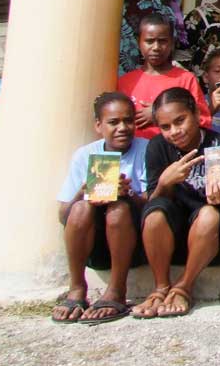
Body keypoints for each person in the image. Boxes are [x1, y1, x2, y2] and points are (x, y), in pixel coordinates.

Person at [132, 87, 220, 319]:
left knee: (209, 214)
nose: (174, 132)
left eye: (180, 121)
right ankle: (160, 287)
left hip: (207, 238)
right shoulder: (158, 146)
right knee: (155, 215)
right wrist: (164, 183)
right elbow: (152, 202)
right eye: (165, 127)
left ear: (197, 115)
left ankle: (183, 287)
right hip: (172, 234)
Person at [52, 92, 148, 324]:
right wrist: (83, 193)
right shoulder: (85, 155)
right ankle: (77, 288)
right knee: (81, 208)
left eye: (128, 120)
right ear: (98, 125)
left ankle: (116, 291)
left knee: (119, 208)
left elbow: (155, 202)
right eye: (113, 122)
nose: (122, 128)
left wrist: (129, 193)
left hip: (132, 242)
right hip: (93, 244)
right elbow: (63, 215)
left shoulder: (147, 149)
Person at [117, 14, 211, 140]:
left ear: (172, 43)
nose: (156, 47)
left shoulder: (186, 79)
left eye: (162, 41)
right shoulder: (125, 82)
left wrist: (159, 114)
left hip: (172, 150)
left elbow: (203, 120)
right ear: (139, 42)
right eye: (149, 41)